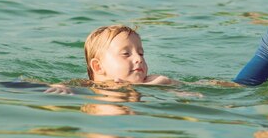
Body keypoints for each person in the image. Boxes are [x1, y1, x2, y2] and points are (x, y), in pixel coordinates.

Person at [46, 25, 175, 94]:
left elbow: (193, 91)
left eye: (141, 53)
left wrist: (169, 83)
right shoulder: (91, 86)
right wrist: (60, 88)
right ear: (98, 67)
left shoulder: (154, 80)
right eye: (126, 54)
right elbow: (66, 85)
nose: (138, 59)